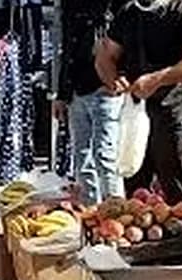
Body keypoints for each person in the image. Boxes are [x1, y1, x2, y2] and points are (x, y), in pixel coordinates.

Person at [95, 0, 182, 203]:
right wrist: (113, 79)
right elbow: (105, 56)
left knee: (177, 197)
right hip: (135, 119)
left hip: (173, 116)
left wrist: (157, 79)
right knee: (135, 197)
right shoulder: (129, 12)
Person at [56, 0, 125, 205]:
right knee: (82, 157)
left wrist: (118, 76)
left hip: (105, 88)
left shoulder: (116, 5)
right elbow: (67, 47)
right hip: (79, 87)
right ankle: (91, 214)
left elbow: (126, 42)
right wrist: (62, 93)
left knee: (105, 156)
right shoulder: (70, 6)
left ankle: (115, 211)